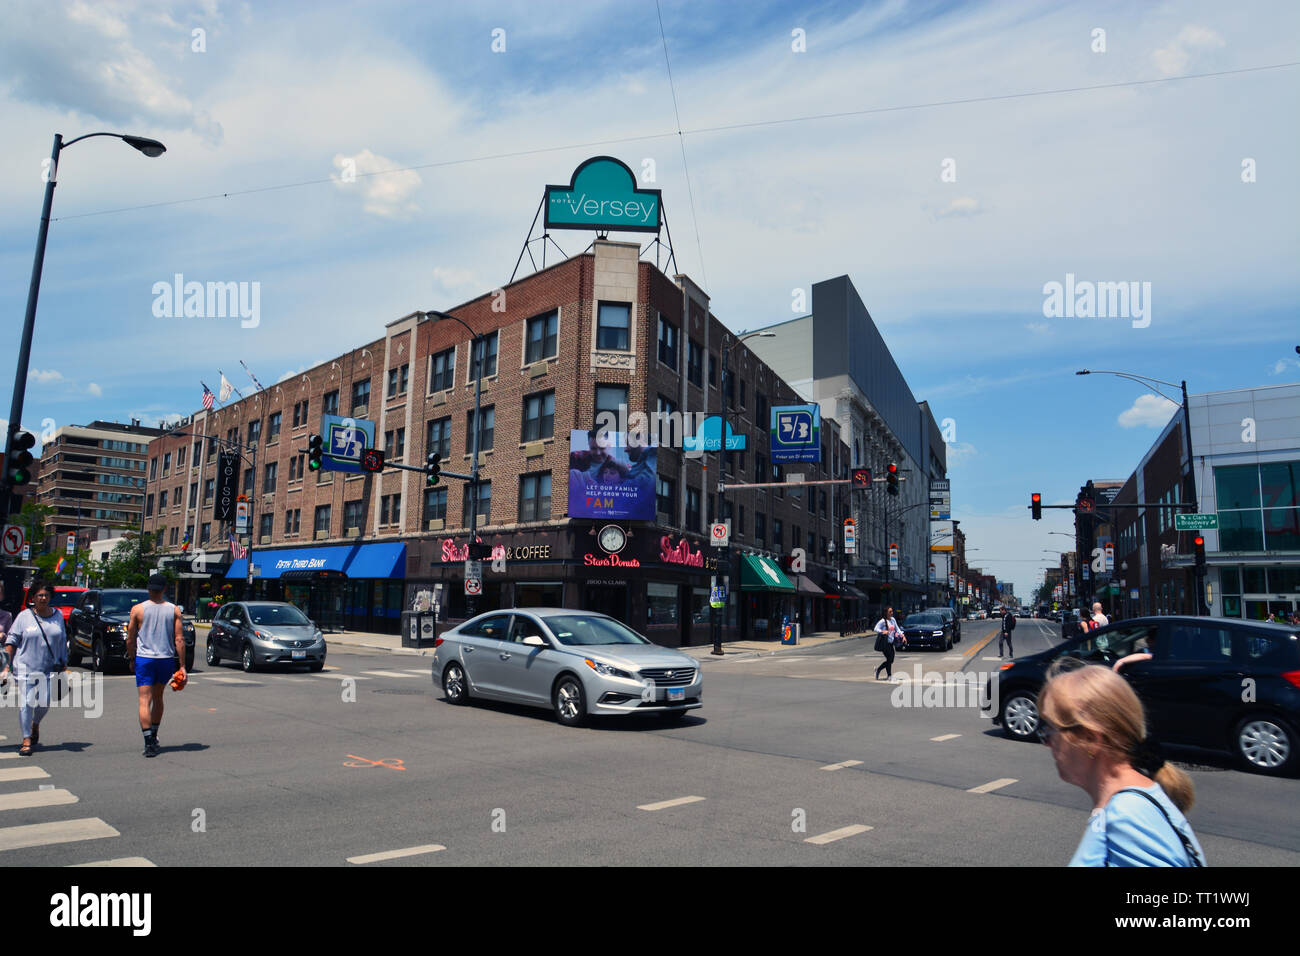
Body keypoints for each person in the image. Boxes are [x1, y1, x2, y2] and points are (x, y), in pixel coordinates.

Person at [1038, 663, 1205, 866]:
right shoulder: (1124, 806)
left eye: (1050, 730)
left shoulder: (1127, 814)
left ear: (1090, 738)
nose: (1046, 742)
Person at [1, 580, 67, 757]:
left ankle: (35, 724)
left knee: (44, 703)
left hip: (49, 669)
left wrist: (64, 661)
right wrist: (7, 665)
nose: (43, 598)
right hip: (25, 668)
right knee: (27, 703)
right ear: (33, 598)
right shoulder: (24, 617)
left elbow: (62, 640)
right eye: (39, 595)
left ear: (50, 597)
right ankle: (26, 740)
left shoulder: (58, 616)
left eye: (46, 595)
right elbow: (12, 641)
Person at [125, 574, 186, 758]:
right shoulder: (174, 610)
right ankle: (155, 732)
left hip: (145, 658)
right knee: (158, 698)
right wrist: (182, 665)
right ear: (165, 589)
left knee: (144, 699)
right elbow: (179, 639)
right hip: (165, 658)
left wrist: (132, 657)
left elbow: (130, 638)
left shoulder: (138, 609)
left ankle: (148, 741)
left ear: (149, 589)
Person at [873, 606, 905, 682]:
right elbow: (875, 628)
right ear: (886, 613)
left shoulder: (893, 620)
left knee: (891, 660)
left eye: (892, 611)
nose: (892, 613)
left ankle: (878, 669)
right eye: (890, 612)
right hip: (885, 643)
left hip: (891, 642)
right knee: (889, 659)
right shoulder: (883, 621)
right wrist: (882, 631)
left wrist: (902, 635)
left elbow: (897, 629)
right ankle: (889, 676)